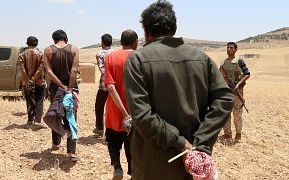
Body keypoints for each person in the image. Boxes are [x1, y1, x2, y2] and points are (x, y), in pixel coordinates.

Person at [123, 1, 234, 179]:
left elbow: (142, 117)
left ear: (146, 30)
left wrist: (183, 145)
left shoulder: (137, 60)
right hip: (193, 166)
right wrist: (200, 143)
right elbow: (225, 99)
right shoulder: (201, 57)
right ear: (174, 27)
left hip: (154, 165)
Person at [104, 29, 138, 180]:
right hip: (136, 110)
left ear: (121, 42)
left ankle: (117, 167)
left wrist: (124, 114)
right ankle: (133, 173)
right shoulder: (140, 57)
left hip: (114, 109)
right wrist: (130, 114)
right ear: (136, 42)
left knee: (112, 139)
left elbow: (110, 87)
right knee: (132, 143)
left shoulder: (111, 57)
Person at [44, 29, 80, 161]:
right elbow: (74, 70)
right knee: (71, 116)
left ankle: (56, 143)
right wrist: (69, 88)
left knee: (55, 113)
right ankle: (72, 152)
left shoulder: (48, 50)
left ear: (54, 40)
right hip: (72, 87)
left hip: (55, 88)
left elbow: (49, 71)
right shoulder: (74, 49)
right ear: (66, 39)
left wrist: (61, 86)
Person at [219, 42, 250, 143]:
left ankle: (238, 133)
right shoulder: (223, 62)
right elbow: (220, 76)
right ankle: (227, 133)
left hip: (237, 90)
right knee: (226, 113)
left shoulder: (240, 61)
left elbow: (247, 74)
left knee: (237, 113)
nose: (229, 49)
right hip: (226, 91)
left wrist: (238, 84)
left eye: (231, 48)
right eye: (227, 47)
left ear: (236, 50)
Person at [18, 36, 46, 126]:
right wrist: (34, 79)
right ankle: (38, 121)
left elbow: (22, 69)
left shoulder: (21, 55)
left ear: (27, 43)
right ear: (37, 44)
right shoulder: (41, 54)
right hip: (39, 81)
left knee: (29, 100)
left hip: (26, 82)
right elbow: (41, 68)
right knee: (39, 100)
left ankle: (30, 120)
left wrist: (28, 80)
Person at [93, 34, 114, 137]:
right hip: (115, 85)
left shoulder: (100, 54)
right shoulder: (115, 53)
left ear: (102, 42)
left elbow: (103, 70)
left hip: (104, 85)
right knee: (113, 108)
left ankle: (100, 128)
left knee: (99, 106)